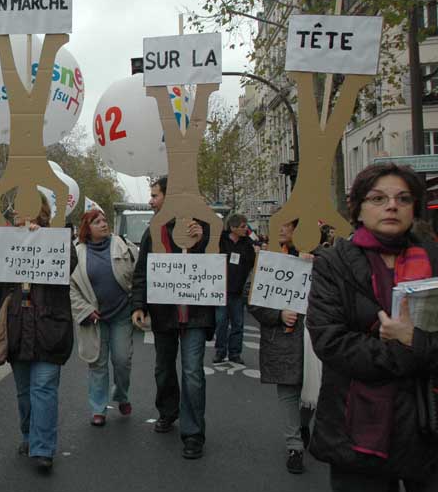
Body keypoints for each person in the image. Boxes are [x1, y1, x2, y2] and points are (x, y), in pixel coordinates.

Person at [307, 163, 438, 492]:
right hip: (359, 429)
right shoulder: (333, 264)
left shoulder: (434, 260)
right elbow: (330, 340)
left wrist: (412, 340)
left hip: (428, 426)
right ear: (359, 209)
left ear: (414, 208)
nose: (391, 206)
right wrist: (406, 352)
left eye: (403, 198)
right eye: (378, 198)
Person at [0, 196, 77, 471]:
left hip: (50, 327)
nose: (15, 211)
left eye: (20, 206)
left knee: (44, 388)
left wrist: (46, 238)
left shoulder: (56, 238)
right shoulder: (5, 242)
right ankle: (29, 434)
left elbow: (70, 264)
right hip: (17, 327)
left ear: (38, 210)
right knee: (24, 391)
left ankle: (43, 448)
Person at [130, 176, 213, 460]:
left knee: (192, 373)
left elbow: (219, 263)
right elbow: (141, 271)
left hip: (196, 315)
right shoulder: (153, 232)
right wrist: (138, 304)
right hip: (164, 314)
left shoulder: (202, 227)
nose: (151, 200)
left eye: (155, 195)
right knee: (163, 368)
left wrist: (202, 242)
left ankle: (193, 433)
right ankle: (168, 411)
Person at [248, 218, 312, 475]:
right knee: (288, 390)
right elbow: (252, 300)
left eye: (288, 226)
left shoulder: (321, 260)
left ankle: (302, 424)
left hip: (312, 337)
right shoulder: (268, 261)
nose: (282, 231)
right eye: (279, 227)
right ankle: (294, 446)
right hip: (283, 338)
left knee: (311, 393)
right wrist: (278, 315)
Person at [69, 208, 135, 426]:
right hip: (94, 318)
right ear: (87, 228)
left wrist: (138, 305)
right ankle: (98, 409)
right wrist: (84, 310)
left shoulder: (122, 244)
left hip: (122, 313)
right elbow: (69, 287)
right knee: (97, 363)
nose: (104, 224)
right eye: (97, 222)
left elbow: (139, 274)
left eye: (105, 220)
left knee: (122, 360)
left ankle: (122, 395)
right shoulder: (76, 252)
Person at [215, 213, 256, 364]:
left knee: (238, 324)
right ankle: (220, 352)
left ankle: (234, 353)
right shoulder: (220, 241)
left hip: (237, 291)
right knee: (221, 324)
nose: (246, 229)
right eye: (243, 226)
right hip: (221, 290)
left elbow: (252, 262)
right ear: (232, 228)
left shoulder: (247, 244)